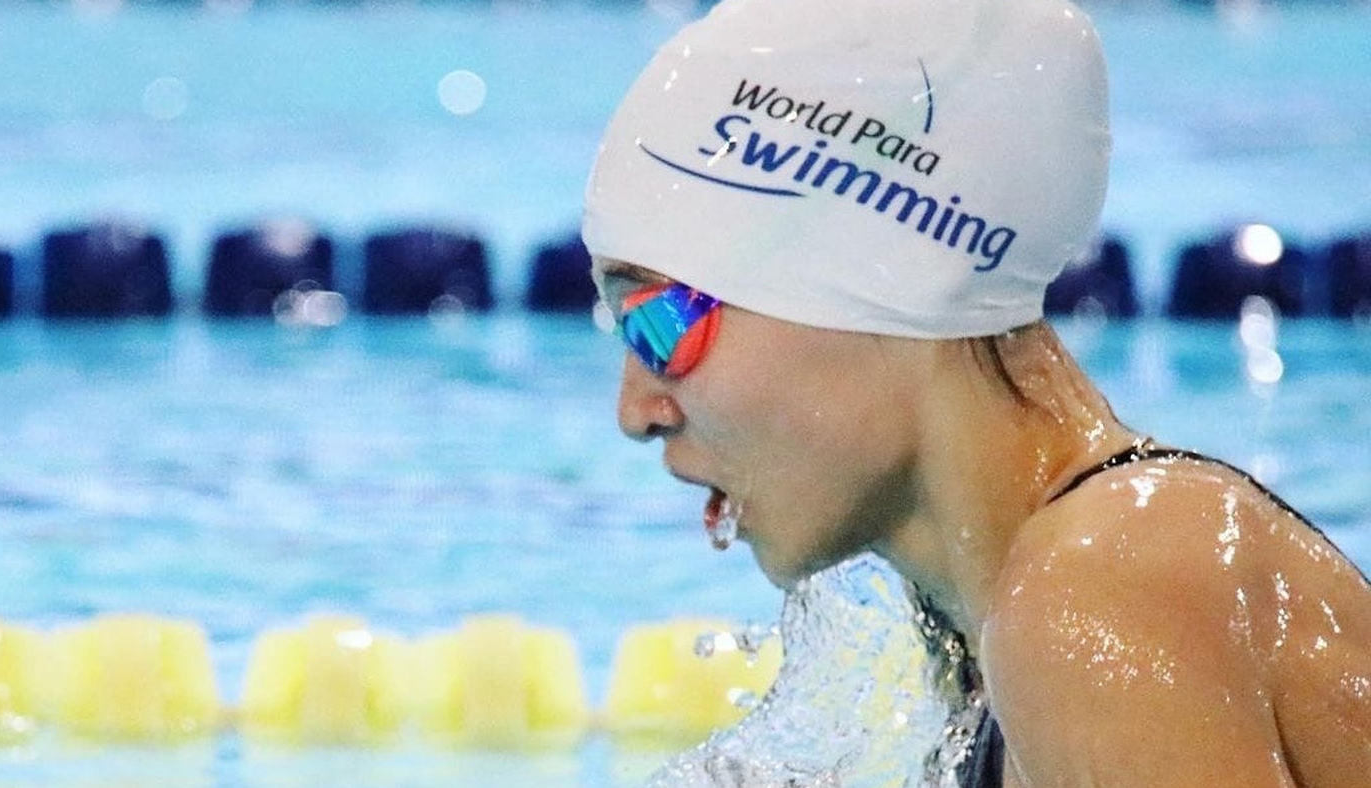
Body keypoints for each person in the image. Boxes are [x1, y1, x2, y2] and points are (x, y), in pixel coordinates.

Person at [580, 0, 1371, 785]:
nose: (635, 412)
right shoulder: (1010, 623)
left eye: (655, 322)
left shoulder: (1096, 590)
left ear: (867, 283)